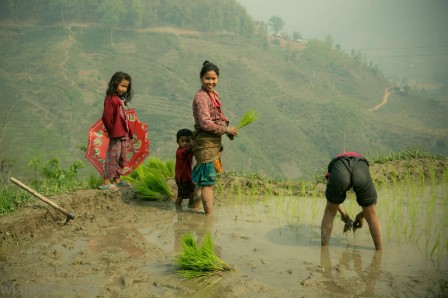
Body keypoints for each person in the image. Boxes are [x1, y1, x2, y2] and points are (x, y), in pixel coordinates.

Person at [190, 61, 238, 215]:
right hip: (205, 143)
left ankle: (193, 208)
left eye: (213, 78)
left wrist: (228, 128)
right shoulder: (201, 97)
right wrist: (225, 129)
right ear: (201, 78)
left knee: (202, 181)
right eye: (207, 78)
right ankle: (208, 217)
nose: (210, 82)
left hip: (213, 143)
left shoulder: (214, 95)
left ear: (218, 78)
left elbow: (219, 115)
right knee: (208, 183)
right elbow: (205, 123)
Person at [321, 152, 382, 250]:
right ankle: (379, 252)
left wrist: (343, 214)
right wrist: (362, 215)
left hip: (340, 169)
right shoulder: (361, 163)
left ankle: (324, 251)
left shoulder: (334, 166)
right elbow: (373, 203)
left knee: (329, 212)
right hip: (360, 168)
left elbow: (331, 201)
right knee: (371, 215)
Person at [99, 71, 134, 190]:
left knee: (122, 157)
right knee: (113, 156)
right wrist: (111, 130)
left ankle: (117, 178)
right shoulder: (111, 100)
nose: (124, 89)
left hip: (124, 133)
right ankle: (106, 180)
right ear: (115, 84)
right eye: (122, 86)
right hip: (116, 134)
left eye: (126, 87)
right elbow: (106, 117)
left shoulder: (119, 100)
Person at [174, 128, 196, 208]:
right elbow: (186, 152)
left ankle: (179, 207)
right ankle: (190, 206)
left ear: (191, 140)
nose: (185, 143)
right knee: (190, 191)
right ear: (177, 142)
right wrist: (192, 145)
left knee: (183, 194)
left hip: (184, 177)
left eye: (188, 141)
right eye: (182, 141)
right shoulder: (179, 152)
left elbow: (191, 151)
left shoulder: (187, 150)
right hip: (183, 178)